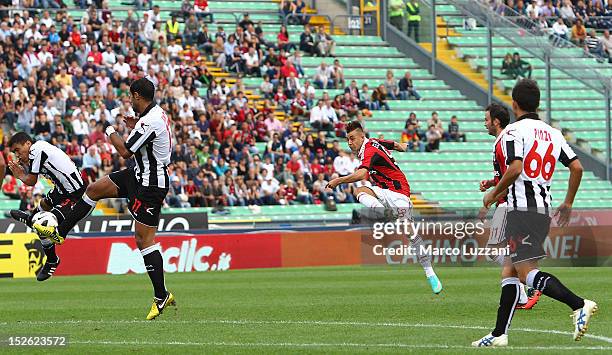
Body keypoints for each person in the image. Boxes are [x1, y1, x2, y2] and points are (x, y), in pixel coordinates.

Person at [34, 78, 175, 321]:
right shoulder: (154, 114)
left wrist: (109, 130)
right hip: (138, 174)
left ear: (138, 96)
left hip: (151, 184)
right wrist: (135, 127)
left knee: (143, 240)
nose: (130, 101)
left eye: (131, 96)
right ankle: (62, 231)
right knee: (94, 189)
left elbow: (124, 151)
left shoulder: (151, 120)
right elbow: (145, 142)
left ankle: (161, 295)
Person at [473, 79, 597, 347]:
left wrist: (492, 195)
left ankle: (579, 304)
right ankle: (499, 334)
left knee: (528, 272)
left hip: (521, 210)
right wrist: (568, 203)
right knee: (509, 272)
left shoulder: (512, 132)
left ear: (514, 104)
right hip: (542, 210)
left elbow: (516, 168)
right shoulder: (553, 133)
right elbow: (576, 168)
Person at [326, 120, 443, 294]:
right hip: (383, 190)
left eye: (352, 139)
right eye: (347, 140)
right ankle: (384, 213)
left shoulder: (369, 150)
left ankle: (430, 274)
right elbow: (388, 143)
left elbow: (362, 173)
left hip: (399, 192)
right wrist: (400, 146)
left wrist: (339, 180)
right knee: (360, 191)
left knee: (410, 232)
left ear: (361, 137)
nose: (349, 143)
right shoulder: (371, 142)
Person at [479, 103, 540, 310]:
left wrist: (493, 195)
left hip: (507, 204)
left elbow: (513, 175)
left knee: (495, 251)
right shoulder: (502, 141)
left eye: (486, 119)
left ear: (496, 121)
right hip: (506, 203)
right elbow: (504, 176)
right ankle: (524, 290)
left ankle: (529, 284)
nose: (484, 123)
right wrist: (491, 183)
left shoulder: (504, 141)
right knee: (500, 251)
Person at [7, 132, 85, 281]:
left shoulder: (37, 149)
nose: (17, 155)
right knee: (42, 206)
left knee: (43, 223)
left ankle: (51, 260)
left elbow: (31, 180)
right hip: (61, 190)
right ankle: (31, 218)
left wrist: (20, 175)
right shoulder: (40, 149)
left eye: (17, 150)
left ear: (27, 144)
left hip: (75, 194)